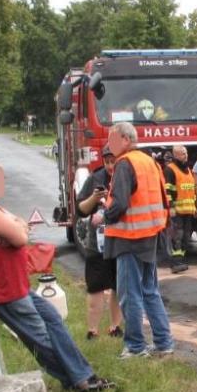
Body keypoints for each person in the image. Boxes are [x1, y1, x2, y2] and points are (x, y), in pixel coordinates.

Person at [0, 159, 114, 392]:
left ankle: (84, 375)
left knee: (54, 322)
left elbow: (21, 225)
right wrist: (15, 231)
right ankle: (76, 382)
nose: (3, 183)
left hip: (14, 286)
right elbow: (21, 238)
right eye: (0, 178)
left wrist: (16, 228)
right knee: (41, 337)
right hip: (0, 290)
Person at [92, 122, 176, 359]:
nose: (109, 144)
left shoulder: (124, 163)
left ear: (125, 140)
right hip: (149, 235)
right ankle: (163, 342)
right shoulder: (148, 161)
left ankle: (136, 347)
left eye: (113, 140)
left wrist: (102, 215)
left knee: (130, 294)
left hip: (129, 237)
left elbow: (119, 203)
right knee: (150, 291)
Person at [76, 144, 123, 340]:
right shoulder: (94, 178)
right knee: (95, 286)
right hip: (97, 244)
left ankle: (115, 327)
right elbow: (81, 210)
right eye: (108, 162)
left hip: (120, 241)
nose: (111, 166)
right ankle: (92, 330)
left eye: (114, 162)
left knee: (118, 287)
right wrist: (94, 198)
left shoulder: (125, 177)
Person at [163, 144, 197, 254]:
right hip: (176, 211)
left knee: (186, 237)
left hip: (188, 211)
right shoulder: (170, 170)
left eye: (186, 153)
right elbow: (167, 191)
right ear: (176, 155)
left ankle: (181, 258)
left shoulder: (188, 170)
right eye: (183, 153)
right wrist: (171, 207)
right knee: (178, 236)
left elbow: (191, 190)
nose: (186, 155)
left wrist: (195, 207)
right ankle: (176, 261)